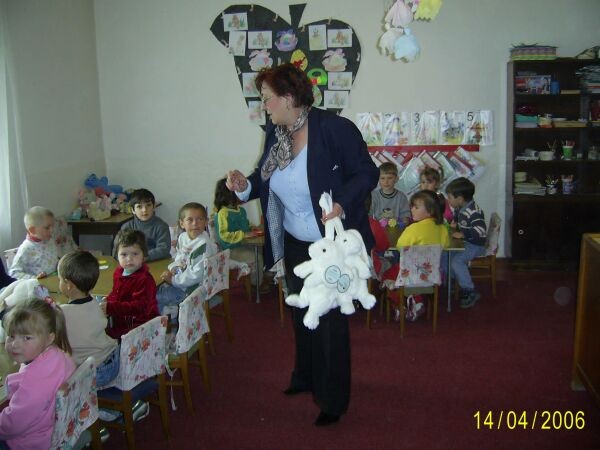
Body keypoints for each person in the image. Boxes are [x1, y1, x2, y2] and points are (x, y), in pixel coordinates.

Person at [226, 63, 378, 426]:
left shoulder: (334, 129)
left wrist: (342, 202)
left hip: (330, 242)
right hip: (295, 240)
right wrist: (244, 186)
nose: (264, 106)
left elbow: (367, 173)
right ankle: (306, 375)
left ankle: (332, 399)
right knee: (302, 312)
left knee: (329, 321)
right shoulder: (277, 132)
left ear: (288, 97)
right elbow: (264, 177)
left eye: (267, 98)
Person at [0, 297, 75, 450]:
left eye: (26, 338)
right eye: (11, 335)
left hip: (33, 441)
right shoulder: (58, 354)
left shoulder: (32, 382)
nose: (14, 344)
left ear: (49, 338)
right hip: (58, 428)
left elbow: (12, 425)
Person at [58, 250, 119, 388]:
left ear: (68, 284)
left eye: (60, 279)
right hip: (114, 360)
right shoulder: (95, 302)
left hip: (96, 373)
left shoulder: (62, 313)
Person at [156, 202, 218, 316]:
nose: (195, 223)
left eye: (199, 219)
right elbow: (180, 256)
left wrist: (173, 280)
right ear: (181, 223)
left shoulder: (203, 245)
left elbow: (196, 275)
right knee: (157, 289)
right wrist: (174, 267)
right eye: (190, 219)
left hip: (193, 289)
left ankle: (169, 323)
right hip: (183, 280)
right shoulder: (183, 237)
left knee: (154, 297)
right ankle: (173, 313)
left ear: (206, 222)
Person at [213, 177, 272, 293]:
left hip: (242, 244)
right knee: (257, 257)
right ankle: (256, 284)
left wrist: (253, 228)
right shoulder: (223, 213)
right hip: (231, 249)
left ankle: (261, 276)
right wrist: (243, 235)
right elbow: (224, 235)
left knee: (262, 249)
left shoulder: (240, 210)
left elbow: (245, 224)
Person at [101, 229, 159, 339]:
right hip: (123, 323)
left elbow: (140, 307)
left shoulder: (145, 279)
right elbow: (116, 294)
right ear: (116, 256)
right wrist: (108, 301)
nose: (129, 259)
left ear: (144, 255)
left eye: (135, 254)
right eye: (124, 254)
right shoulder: (118, 273)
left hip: (142, 327)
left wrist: (111, 307)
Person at [446, 177, 487, 309]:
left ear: (460, 199)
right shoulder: (461, 208)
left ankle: (469, 290)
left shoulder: (474, 212)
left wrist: (463, 234)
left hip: (476, 245)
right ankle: (457, 280)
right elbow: (458, 219)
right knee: (445, 256)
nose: (448, 200)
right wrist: (454, 223)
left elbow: (480, 232)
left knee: (456, 261)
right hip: (467, 242)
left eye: (450, 197)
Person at [113, 188, 171, 261]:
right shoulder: (126, 227)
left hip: (157, 262)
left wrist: (141, 257)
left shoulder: (161, 226)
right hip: (131, 263)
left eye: (148, 205)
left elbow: (163, 249)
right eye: (139, 207)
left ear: (154, 207)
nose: (144, 210)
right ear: (133, 210)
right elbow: (117, 250)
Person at [9, 206, 59, 280]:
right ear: (33, 230)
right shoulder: (26, 248)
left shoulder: (50, 241)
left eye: (52, 226)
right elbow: (14, 273)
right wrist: (34, 278)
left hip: (54, 280)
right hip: (37, 285)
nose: (52, 230)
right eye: (47, 228)